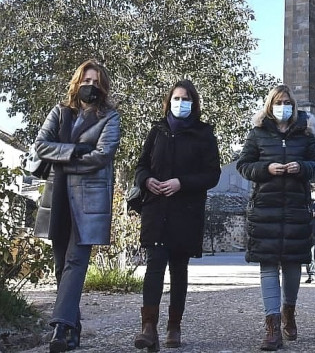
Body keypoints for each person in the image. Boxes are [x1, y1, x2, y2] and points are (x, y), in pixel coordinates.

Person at [33, 59, 121, 353]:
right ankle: (74, 325)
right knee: (61, 265)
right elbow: (41, 145)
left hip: (89, 200)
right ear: (77, 82)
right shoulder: (60, 112)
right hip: (57, 196)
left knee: (76, 261)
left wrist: (63, 162)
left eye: (96, 82)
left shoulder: (110, 117)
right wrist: (74, 151)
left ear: (103, 86)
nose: (91, 86)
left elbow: (101, 155)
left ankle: (59, 327)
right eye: (87, 80)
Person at [133, 80, 222, 351]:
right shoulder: (157, 130)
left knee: (179, 269)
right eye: (176, 98)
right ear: (168, 101)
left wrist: (181, 182)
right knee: (154, 265)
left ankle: (174, 326)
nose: (180, 103)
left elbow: (212, 174)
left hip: (186, 211)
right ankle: (148, 327)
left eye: (185, 99)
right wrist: (146, 180)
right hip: (156, 208)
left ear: (194, 103)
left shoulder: (204, 133)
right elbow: (141, 165)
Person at [236, 84, 315, 351]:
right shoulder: (258, 133)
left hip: (296, 208)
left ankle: (289, 311)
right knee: (268, 266)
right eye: (278, 101)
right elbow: (243, 165)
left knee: (294, 265)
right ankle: (272, 326)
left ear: (293, 105)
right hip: (266, 208)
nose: (282, 106)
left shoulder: (305, 135)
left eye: (286, 102)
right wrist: (266, 168)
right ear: (269, 105)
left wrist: (302, 168)